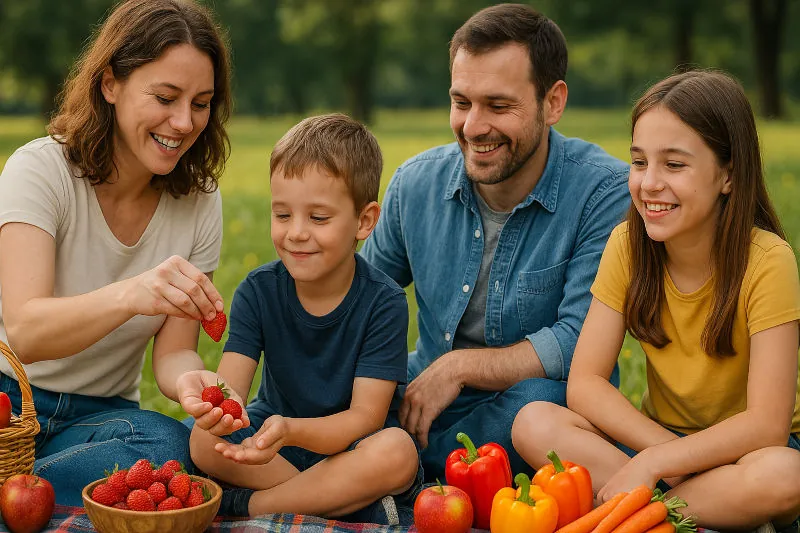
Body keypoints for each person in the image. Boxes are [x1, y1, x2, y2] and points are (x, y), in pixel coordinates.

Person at [512, 70, 800, 532]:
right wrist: (663, 455)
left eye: (675, 165)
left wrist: (657, 463)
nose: (649, 183)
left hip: (750, 453)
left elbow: (767, 425)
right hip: (658, 441)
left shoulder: (767, 261)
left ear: (728, 175)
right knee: (533, 421)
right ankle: (694, 510)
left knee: (787, 476)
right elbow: (584, 383)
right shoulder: (627, 244)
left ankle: (639, 511)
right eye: (639, 162)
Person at [360, 3, 630, 480]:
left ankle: (403, 471)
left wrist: (459, 367)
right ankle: (411, 467)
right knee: (352, 392)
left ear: (553, 102)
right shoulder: (414, 185)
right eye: (462, 102)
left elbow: (579, 343)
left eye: (498, 106)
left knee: (538, 403)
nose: (473, 126)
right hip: (422, 399)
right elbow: (359, 301)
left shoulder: (604, 193)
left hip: (530, 413)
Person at [0, 0, 235, 506]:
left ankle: (23, 493)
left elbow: (174, 350)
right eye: (166, 97)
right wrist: (133, 293)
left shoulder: (199, 201)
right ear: (110, 84)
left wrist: (192, 382)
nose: (183, 122)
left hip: (97, 417)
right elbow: (24, 333)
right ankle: (30, 491)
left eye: (201, 102)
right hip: (7, 402)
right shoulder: (40, 171)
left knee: (171, 447)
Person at [181, 114, 420, 524]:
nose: (295, 233)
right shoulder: (258, 290)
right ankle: (331, 499)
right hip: (272, 446)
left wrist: (291, 430)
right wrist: (216, 405)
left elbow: (365, 418)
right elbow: (231, 391)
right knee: (201, 439)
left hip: (350, 448)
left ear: (364, 221)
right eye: (283, 215)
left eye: (318, 218)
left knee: (397, 451)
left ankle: (252, 506)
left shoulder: (384, 301)